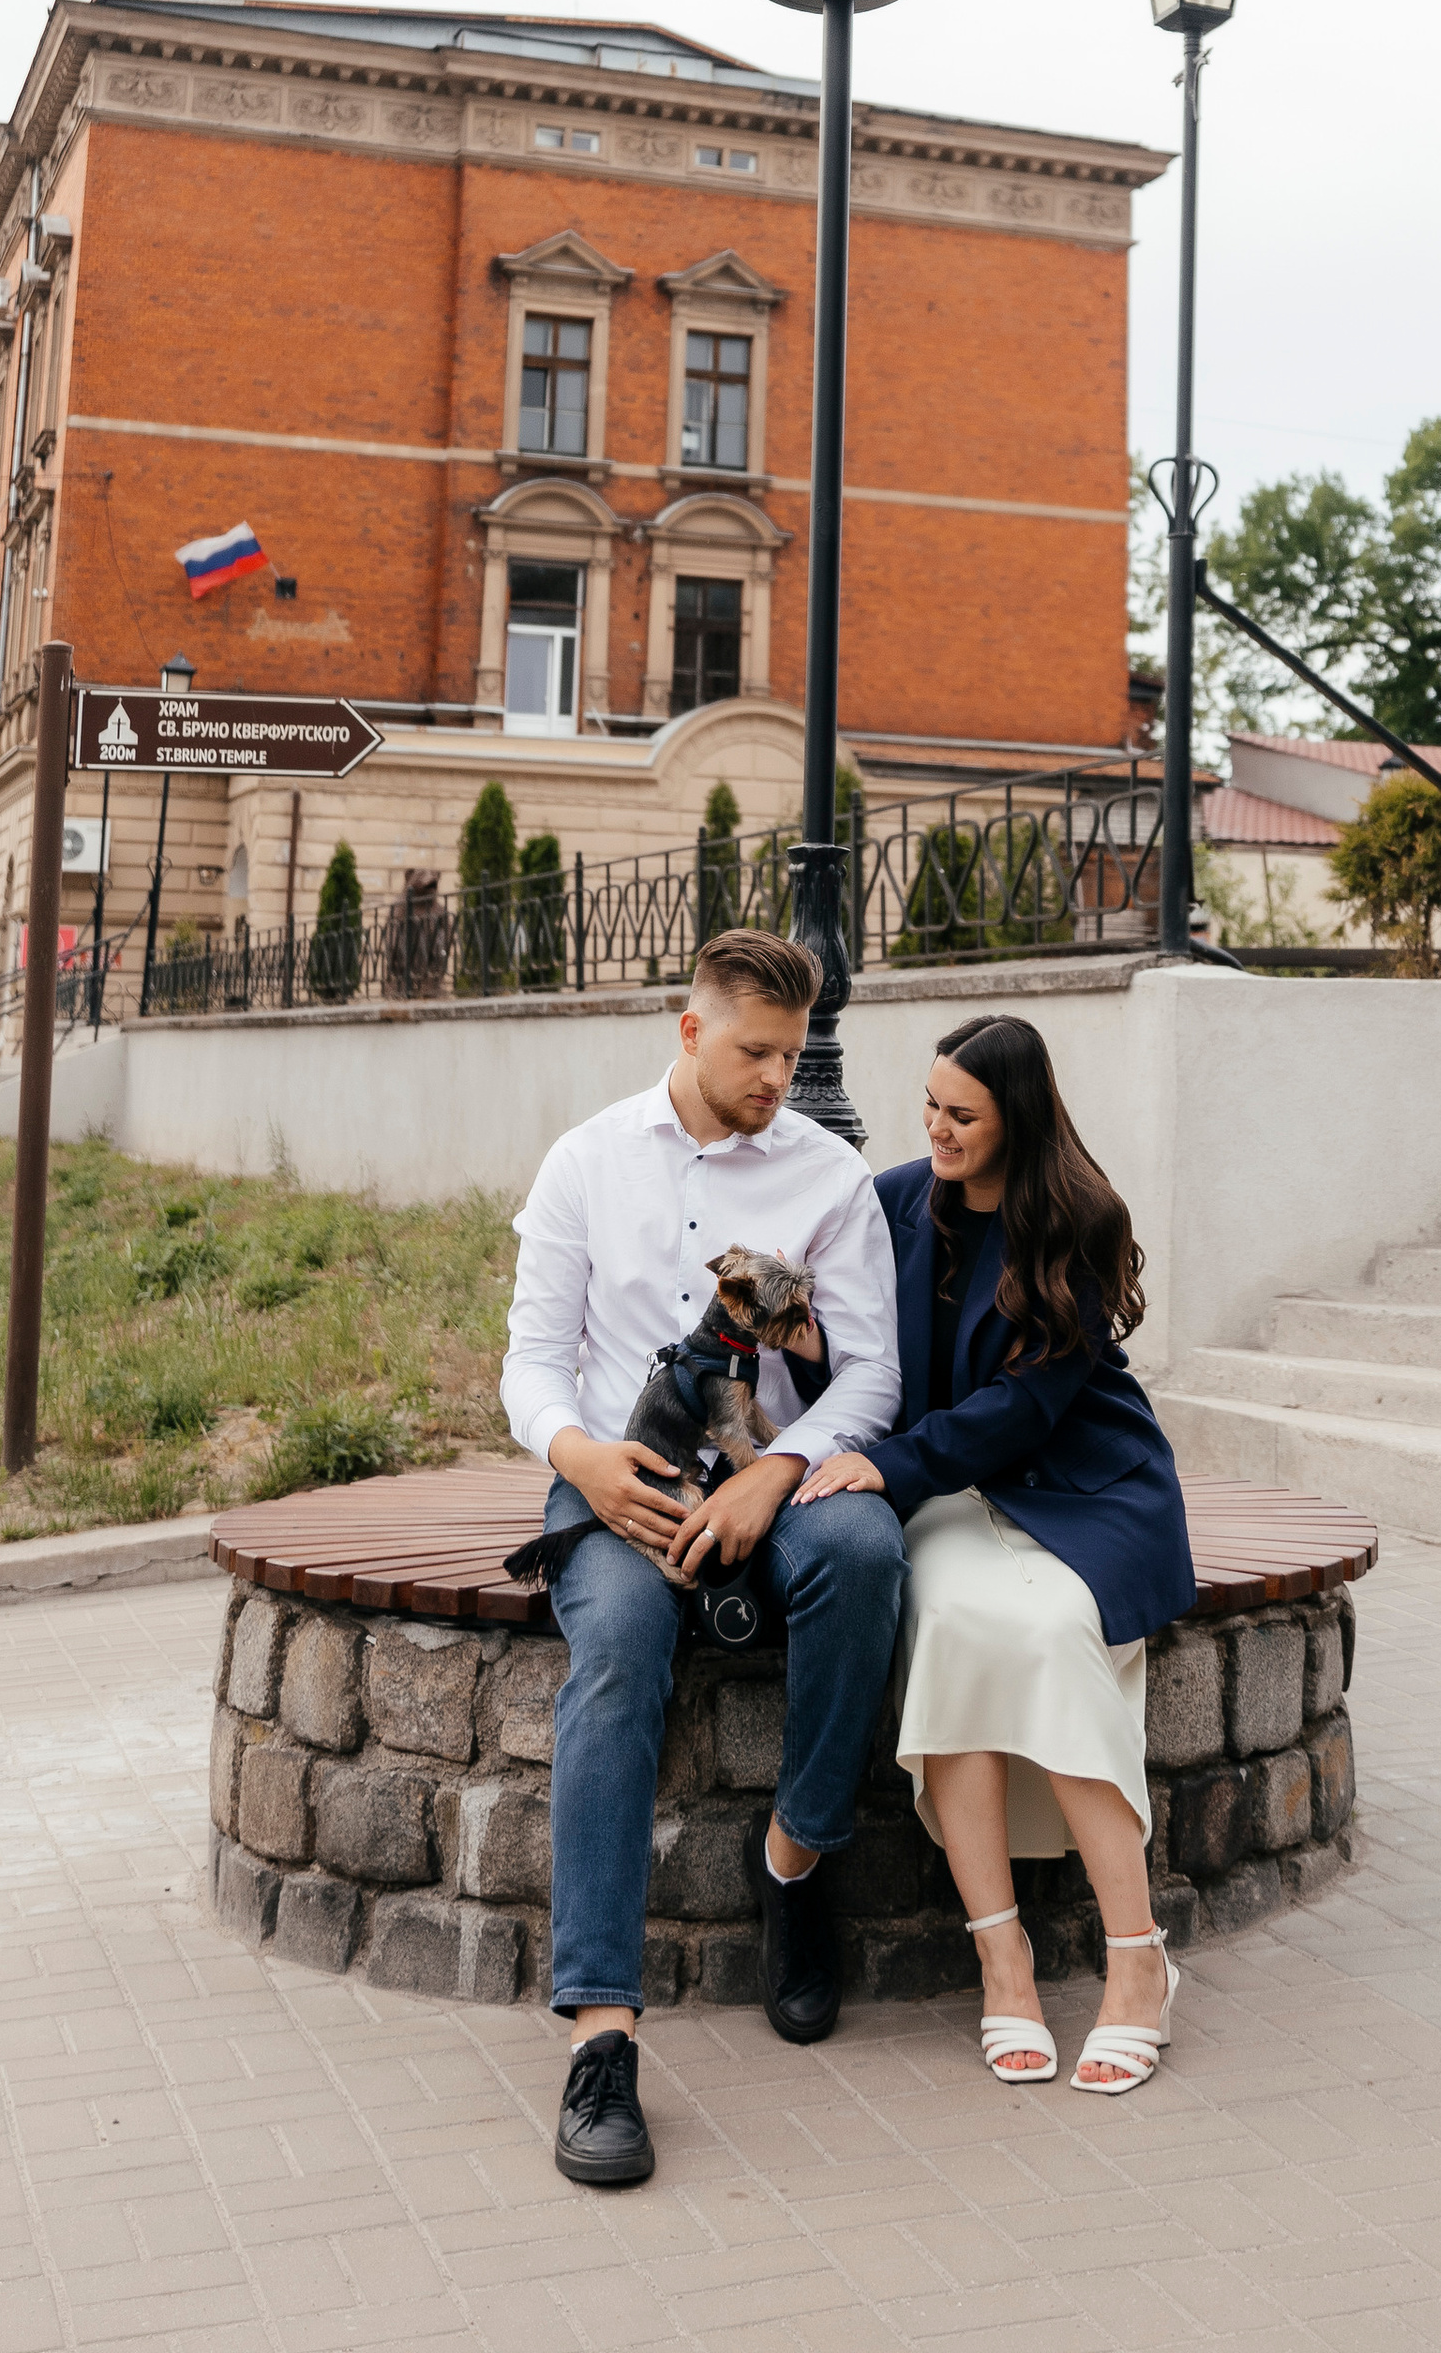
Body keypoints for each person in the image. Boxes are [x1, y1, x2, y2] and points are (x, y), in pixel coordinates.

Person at [501, 928, 904, 2190]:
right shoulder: (586, 1162)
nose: (776, 1075)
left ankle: (796, 1859)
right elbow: (531, 1358)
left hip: (775, 1481)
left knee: (867, 1551)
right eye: (753, 1050)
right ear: (689, 1031)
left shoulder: (829, 1175)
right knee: (616, 1653)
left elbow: (874, 1369)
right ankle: (602, 2039)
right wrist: (580, 1459)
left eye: (792, 1052)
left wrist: (781, 1472)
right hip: (625, 1487)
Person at [796, 1012, 1198, 2097]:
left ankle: (1136, 1959)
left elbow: (1026, 1407)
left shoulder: (1079, 1215)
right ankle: (1000, 1956)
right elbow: (857, 1340)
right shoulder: (891, 1202)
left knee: (1055, 1632)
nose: (936, 1128)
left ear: (1015, 1117)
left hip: (1082, 1484)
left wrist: (890, 1469)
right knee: (960, 1625)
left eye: (961, 1114)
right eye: (928, 1104)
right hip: (944, 1489)